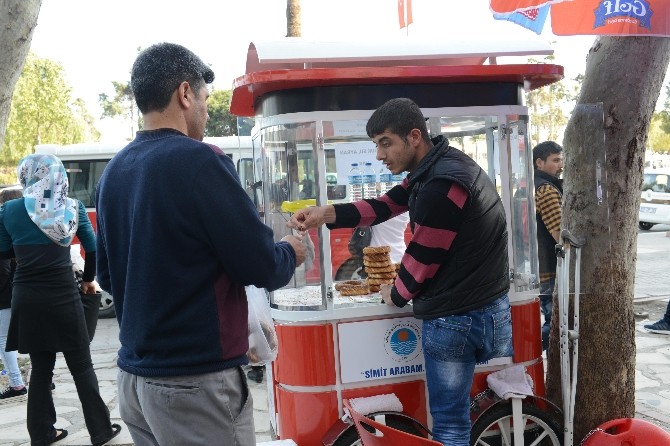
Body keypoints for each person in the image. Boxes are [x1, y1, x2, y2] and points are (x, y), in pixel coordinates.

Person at [95, 42, 306, 446]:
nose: (208, 112)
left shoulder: (114, 172)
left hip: (135, 382)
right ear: (185, 93)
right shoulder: (200, 161)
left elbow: (108, 275)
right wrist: (290, 252)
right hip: (194, 385)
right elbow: (259, 264)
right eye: (206, 100)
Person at [288, 98, 512, 446]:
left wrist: (393, 293)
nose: (379, 155)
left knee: (451, 423)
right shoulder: (439, 169)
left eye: (385, 143)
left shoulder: (441, 186)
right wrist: (325, 213)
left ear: (414, 137)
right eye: (376, 144)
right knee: (457, 415)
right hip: (484, 309)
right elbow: (384, 205)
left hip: (458, 317)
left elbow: (422, 258)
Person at [0, 154, 121, 446]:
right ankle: (101, 431)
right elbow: (92, 249)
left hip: (27, 296)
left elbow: (3, 253)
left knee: (42, 368)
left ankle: (42, 434)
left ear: (27, 175)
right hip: (63, 295)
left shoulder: (10, 210)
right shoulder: (72, 207)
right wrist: (89, 280)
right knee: (81, 364)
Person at [532, 141, 564, 351]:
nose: (560, 165)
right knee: (555, 323)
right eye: (555, 160)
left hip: (538, 267)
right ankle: (526, 351)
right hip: (549, 270)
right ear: (539, 162)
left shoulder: (531, 185)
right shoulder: (547, 190)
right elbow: (560, 234)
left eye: (561, 159)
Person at [0, 187, 27, 401]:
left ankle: (17, 383)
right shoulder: (27, 227)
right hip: (26, 290)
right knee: (35, 337)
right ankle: (45, 377)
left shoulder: (5, 230)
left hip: (6, 295)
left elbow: (3, 269)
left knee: (2, 341)